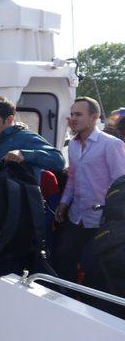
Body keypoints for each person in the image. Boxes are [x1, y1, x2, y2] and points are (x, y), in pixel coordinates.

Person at [0, 96, 65, 304]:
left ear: (9, 120)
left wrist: (24, 154)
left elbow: (58, 159)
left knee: (6, 267)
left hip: (20, 219)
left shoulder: (23, 137)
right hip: (0, 216)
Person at [53, 97, 125, 286]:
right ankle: (65, 300)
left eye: (78, 114)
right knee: (64, 261)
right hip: (76, 215)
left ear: (95, 117)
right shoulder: (74, 145)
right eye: (72, 114)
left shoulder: (111, 145)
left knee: (95, 271)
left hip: (102, 221)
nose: (73, 118)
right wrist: (63, 203)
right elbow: (74, 178)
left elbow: (121, 185)